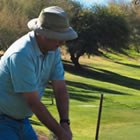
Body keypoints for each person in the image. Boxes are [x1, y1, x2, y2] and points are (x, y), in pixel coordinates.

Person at [0, 6, 78, 140]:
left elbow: (60, 89)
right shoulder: (21, 54)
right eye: (58, 37)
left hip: (23, 120)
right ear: (42, 33)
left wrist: (65, 123)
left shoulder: (53, 50)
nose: (63, 41)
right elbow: (34, 103)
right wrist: (61, 134)